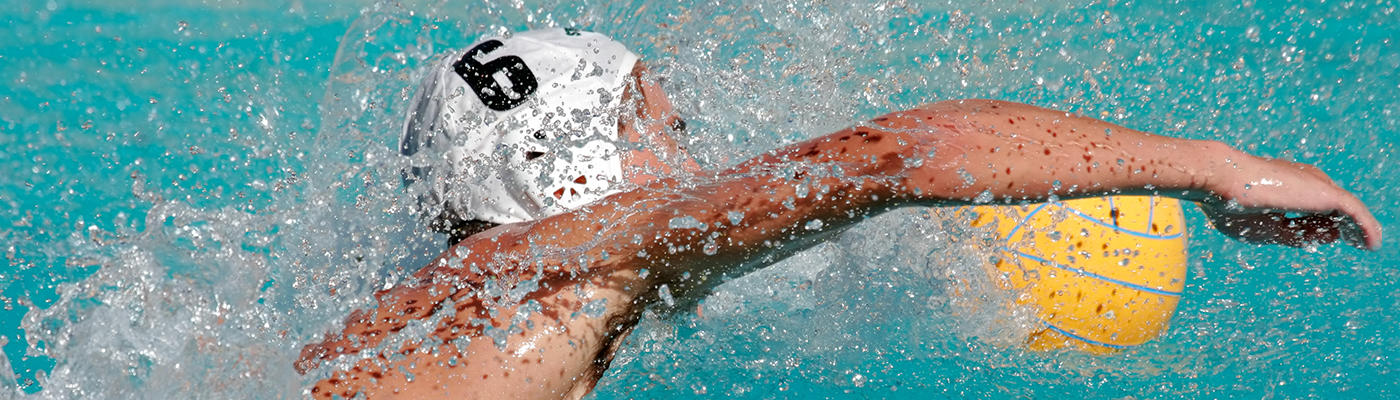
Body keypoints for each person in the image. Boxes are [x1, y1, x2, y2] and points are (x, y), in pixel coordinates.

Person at [294, 29, 1381, 399]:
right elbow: (892, 156)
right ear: (576, 168)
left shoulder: (431, 304)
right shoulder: (574, 272)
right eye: (659, 127)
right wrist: (1210, 167)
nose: (687, 154)